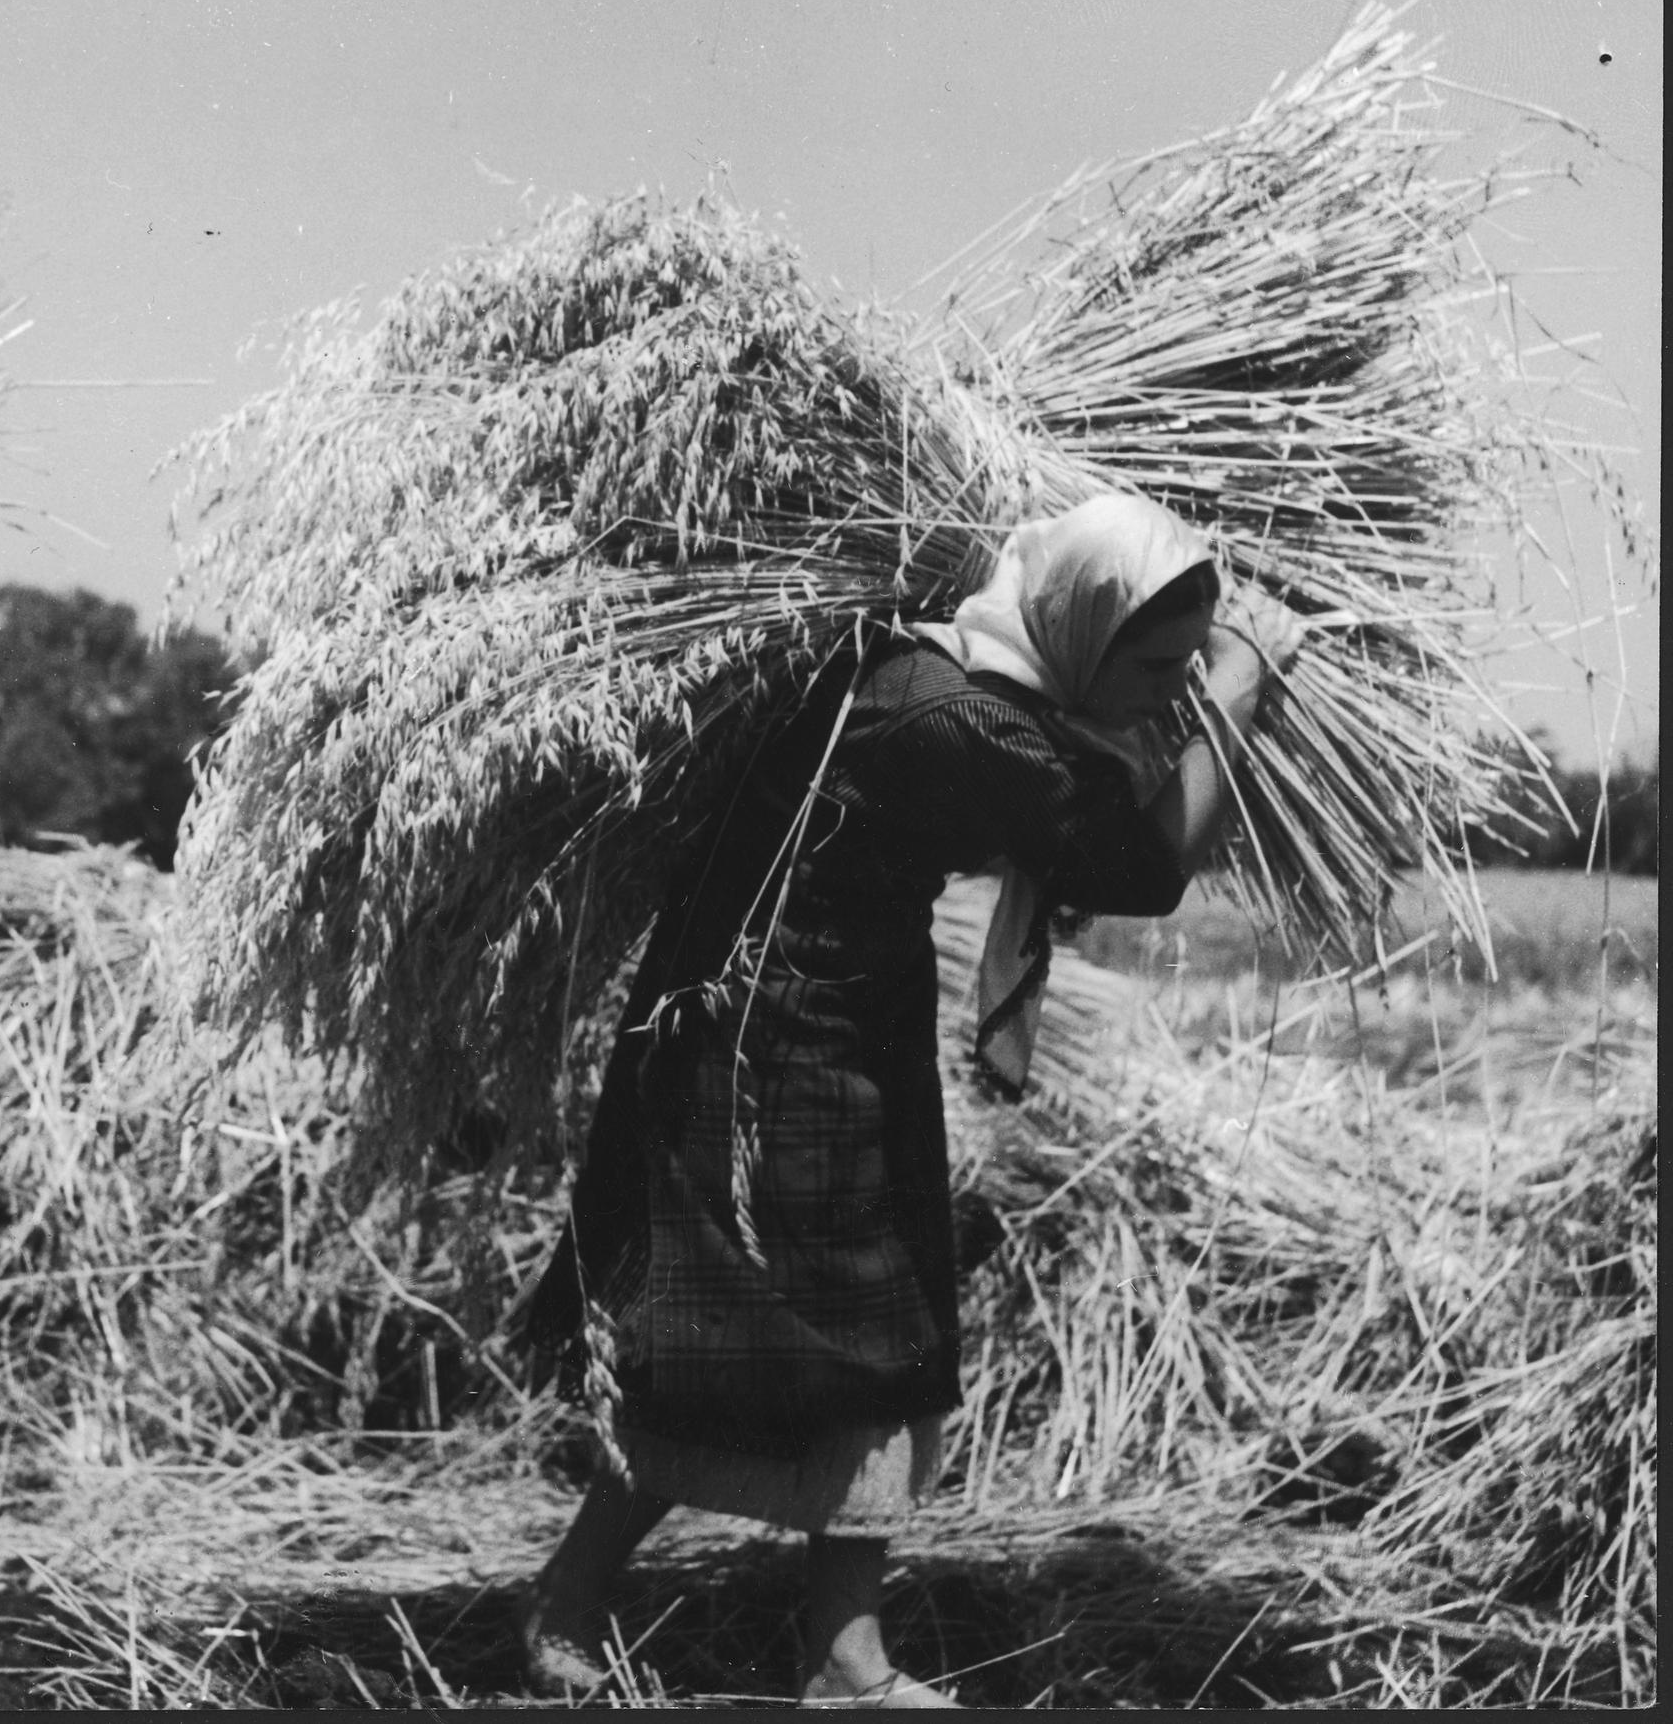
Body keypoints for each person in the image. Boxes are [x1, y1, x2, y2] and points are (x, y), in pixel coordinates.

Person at [517, 493, 1300, 1707]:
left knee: (881, 1329)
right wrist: (1243, 684)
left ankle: (842, 1654)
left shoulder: (944, 670)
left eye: (1188, 668)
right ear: (1083, 630)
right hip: (762, 1039)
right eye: (1154, 666)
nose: (1171, 691)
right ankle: (580, 1599)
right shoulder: (960, 720)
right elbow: (1137, 868)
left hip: (833, 1016)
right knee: (742, 1323)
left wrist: (1202, 672)